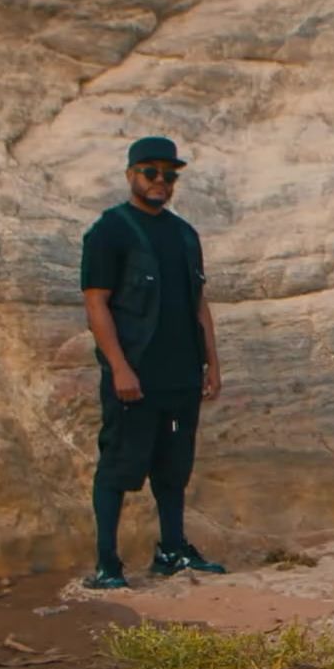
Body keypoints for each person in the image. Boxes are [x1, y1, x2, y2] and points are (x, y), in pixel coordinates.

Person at [77, 136, 227, 589]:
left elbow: (198, 302)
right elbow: (96, 303)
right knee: (119, 465)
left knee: (173, 466)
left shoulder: (184, 235)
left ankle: (172, 550)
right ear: (131, 175)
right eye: (151, 172)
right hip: (135, 379)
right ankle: (107, 564)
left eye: (169, 174)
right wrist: (119, 367)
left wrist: (212, 363)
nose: (161, 181)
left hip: (180, 378)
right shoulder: (110, 231)